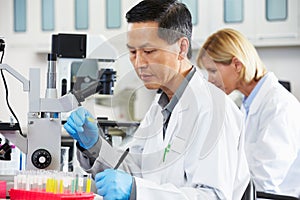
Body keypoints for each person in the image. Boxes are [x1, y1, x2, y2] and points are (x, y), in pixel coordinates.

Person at [64, 1, 250, 199]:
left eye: (149, 51)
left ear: (181, 48)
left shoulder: (213, 109)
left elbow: (214, 196)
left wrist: (137, 191)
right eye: (133, 52)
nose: (139, 63)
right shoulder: (160, 106)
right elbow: (135, 169)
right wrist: (95, 146)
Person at [197, 28, 300, 197]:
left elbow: (265, 181)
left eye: (213, 71)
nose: (210, 80)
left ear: (237, 65)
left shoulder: (278, 107)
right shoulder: (247, 104)